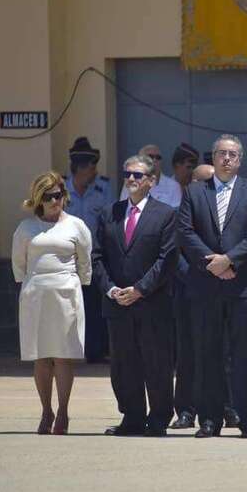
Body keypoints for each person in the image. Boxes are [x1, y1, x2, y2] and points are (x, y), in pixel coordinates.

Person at [178, 134, 247, 438]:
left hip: (242, 286)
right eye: (221, 154)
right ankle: (209, 419)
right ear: (213, 158)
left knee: (245, 355)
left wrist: (229, 260)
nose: (227, 158)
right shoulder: (194, 192)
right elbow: (186, 232)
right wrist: (212, 264)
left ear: (240, 160)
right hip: (205, 286)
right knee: (207, 353)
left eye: (232, 154)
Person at [92, 154, 179, 437]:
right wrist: (110, 288)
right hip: (117, 304)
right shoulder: (109, 213)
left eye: (138, 175)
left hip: (152, 303)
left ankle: (158, 419)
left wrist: (140, 289)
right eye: (128, 173)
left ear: (151, 181)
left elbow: (166, 259)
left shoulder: (165, 214)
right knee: (123, 365)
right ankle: (132, 418)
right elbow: (96, 257)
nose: (131, 178)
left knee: (157, 364)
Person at [12, 172, 92, 435]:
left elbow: (85, 262)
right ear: (38, 199)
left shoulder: (76, 225)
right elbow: (19, 264)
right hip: (36, 294)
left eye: (58, 195)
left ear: (64, 196)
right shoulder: (26, 228)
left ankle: (64, 412)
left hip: (66, 294)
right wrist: (31, 284)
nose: (54, 201)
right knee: (41, 356)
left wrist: (75, 284)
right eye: (48, 197)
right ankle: (46, 410)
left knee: (62, 355)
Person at [63, 136, 113, 363]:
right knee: (68, 307)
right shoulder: (60, 190)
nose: (95, 171)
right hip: (65, 260)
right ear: (81, 169)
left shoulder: (103, 189)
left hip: (93, 258)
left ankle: (95, 351)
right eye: (92, 167)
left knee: (93, 307)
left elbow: (111, 222)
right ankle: (69, 351)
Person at [121, 144, 182, 208]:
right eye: (150, 157)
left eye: (158, 157)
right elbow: (124, 208)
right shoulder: (131, 183)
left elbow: (176, 212)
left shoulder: (173, 186)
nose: (154, 160)